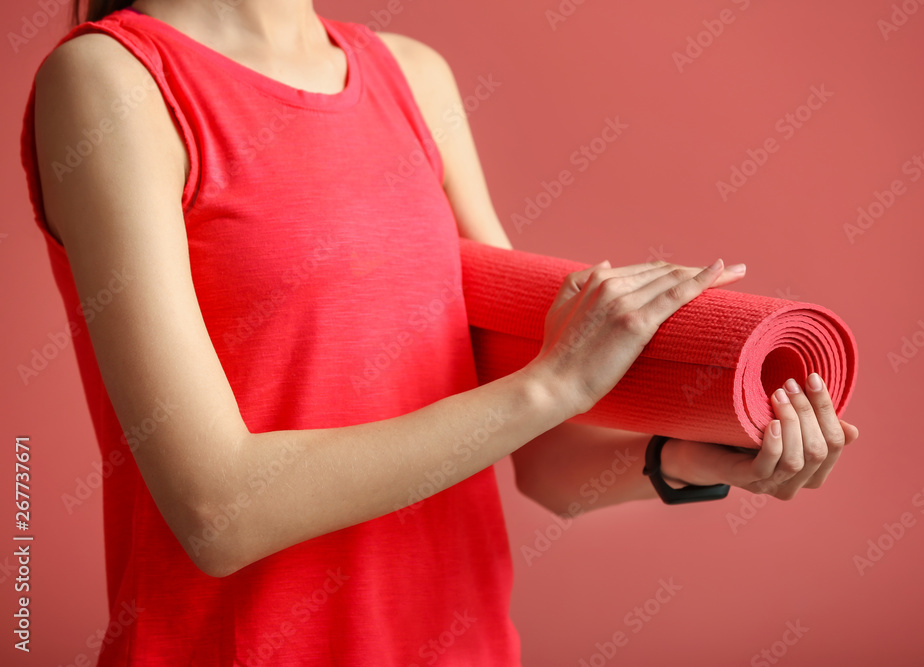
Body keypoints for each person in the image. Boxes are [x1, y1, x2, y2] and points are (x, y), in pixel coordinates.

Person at [21, 0, 860, 664]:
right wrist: (557, 381)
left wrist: (687, 458)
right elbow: (216, 511)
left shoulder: (413, 77)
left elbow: (545, 465)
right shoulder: (113, 81)